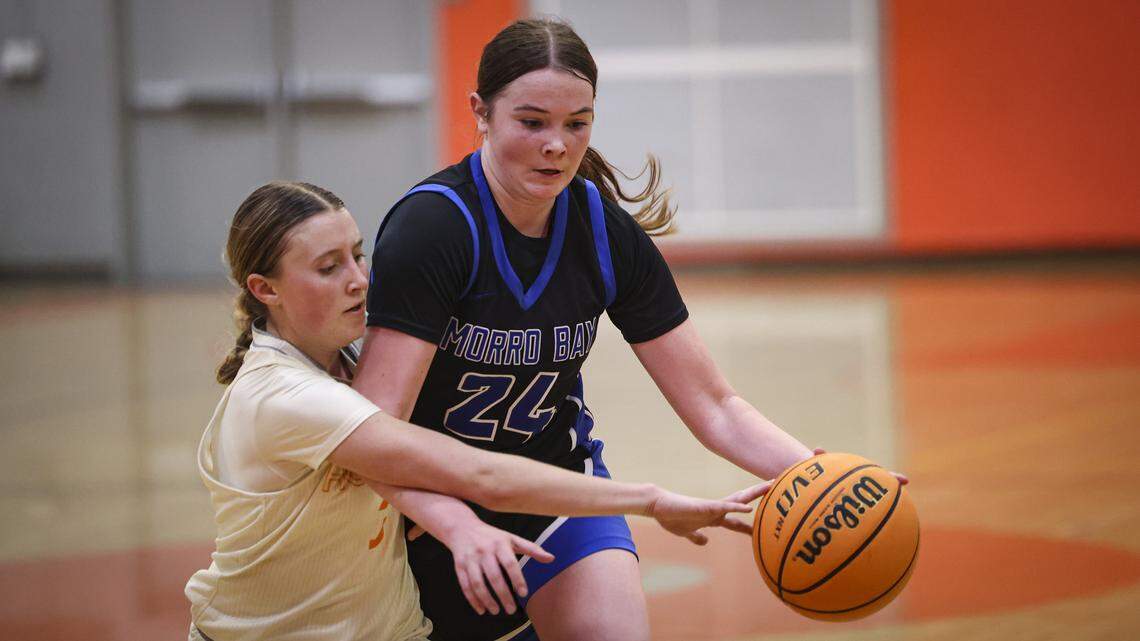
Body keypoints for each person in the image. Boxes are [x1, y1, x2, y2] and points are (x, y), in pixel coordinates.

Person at [359, 17, 907, 641]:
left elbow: (715, 405)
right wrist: (453, 521)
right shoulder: (433, 229)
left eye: (577, 123)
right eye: (531, 122)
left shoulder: (604, 232)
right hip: (428, 505)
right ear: (479, 112)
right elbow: (373, 432)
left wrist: (825, 475)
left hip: (557, 488)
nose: (557, 146)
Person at [184, 181, 767, 641]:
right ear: (265, 289)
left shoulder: (360, 364)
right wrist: (651, 501)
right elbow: (475, 472)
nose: (360, 280)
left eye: (359, 255)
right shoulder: (284, 396)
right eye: (328, 266)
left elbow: (386, 471)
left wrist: (454, 522)